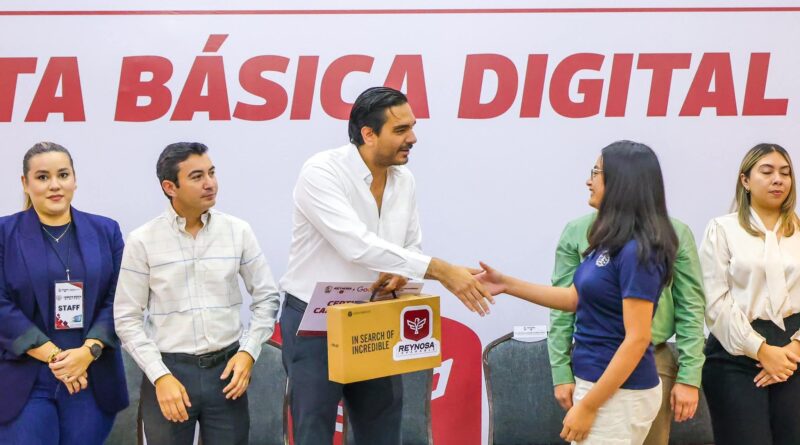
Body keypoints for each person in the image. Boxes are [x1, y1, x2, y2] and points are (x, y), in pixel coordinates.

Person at [279, 86, 494, 445]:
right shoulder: (321, 171)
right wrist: (441, 270)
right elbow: (356, 246)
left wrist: (401, 272)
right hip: (316, 321)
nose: (412, 138)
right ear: (368, 134)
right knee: (313, 430)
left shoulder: (404, 179)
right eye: (400, 130)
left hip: (373, 316)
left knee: (382, 427)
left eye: (412, 127)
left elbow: (409, 243)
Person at [476, 141, 677, 444]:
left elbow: (637, 339)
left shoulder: (637, 251)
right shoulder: (610, 241)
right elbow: (574, 298)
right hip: (600, 386)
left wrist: (589, 406)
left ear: (622, 182)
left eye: (596, 172)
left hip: (619, 395)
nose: (588, 181)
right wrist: (506, 284)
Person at [113, 142, 280, 445]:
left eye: (212, 173)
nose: (210, 183)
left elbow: (267, 297)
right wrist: (159, 375)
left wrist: (248, 352)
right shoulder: (143, 241)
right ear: (170, 187)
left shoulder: (237, 231)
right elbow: (126, 318)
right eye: (197, 176)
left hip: (227, 373)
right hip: (169, 372)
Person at [0, 142, 128, 444]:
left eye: (63, 174)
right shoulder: (5, 233)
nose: (54, 185)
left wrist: (87, 352)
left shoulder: (106, 231)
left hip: (90, 377)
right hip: (25, 381)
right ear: (25, 183)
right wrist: (58, 358)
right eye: (42, 177)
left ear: (74, 178)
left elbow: (122, 299)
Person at [547, 202, 706, 442]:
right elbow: (567, 302)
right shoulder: (578, 231)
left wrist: (689, 376)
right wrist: (561, 372)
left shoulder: (672, 233)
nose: (589, 183)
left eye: (600, 178)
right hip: (593, 360)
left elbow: (690, 306)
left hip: (651, 359)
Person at [699, 143, 800, 445]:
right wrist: (762, 350)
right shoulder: (722, 229)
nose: (777, 179)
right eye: (767, 172)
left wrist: (793, 351)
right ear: (745, 180)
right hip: (735, 354)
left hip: (795, 352)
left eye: (785, 173)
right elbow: (715, 301)